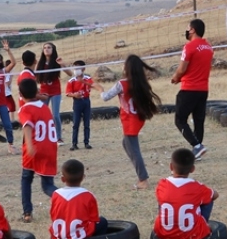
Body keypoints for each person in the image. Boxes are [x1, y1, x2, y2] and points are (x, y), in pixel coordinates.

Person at [99, 54, 160, 190]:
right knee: (127, 145)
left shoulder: (122, 84)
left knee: (133, 148)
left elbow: (105, 97)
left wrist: (99, 89)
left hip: (130, 120)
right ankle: (141, 176)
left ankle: (143, 180)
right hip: (137, 118)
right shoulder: (140, 82)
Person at [154, 147, 218, 239]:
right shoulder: (197, 187)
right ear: (192, 169)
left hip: (163, 236)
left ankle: (168, 223)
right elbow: (215, 195)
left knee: (163, 199)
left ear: (171, 167)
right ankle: (203, 223)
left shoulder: (162, 184)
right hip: (194, 236)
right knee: (208, 198)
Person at [170, 18, 213, 159]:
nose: (187, 30)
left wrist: (175, 77)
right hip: (203, 89)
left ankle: (197, 146)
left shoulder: (189, 47)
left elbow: (182, 68)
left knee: (180, 120)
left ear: (193, 30)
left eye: (188, 27)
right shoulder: (209, 47)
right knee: (198, 120)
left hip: (189, 88)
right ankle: (198, 152)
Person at [17, 79, 58, 223]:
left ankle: (27, 213)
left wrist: (29, 145)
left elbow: (27, 125)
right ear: (37, 92)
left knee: (26, 179)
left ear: (20, 94)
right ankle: (65, 197)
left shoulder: (25, 109)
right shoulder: (45, 107)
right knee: (47, 184)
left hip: (35, 147)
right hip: (50, 147)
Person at [49, 159, 107, 239]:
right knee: (102, 221)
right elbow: (94, 219)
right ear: (83, 177)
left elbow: (53, 216)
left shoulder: (56, 194)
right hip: (79, 236)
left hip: (58, 238)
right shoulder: (88, 195)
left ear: (62, 179)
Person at [37, 42, 70, 137]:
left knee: (55, 115)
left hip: (55, 91)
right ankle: (44, 135)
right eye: (44, 48)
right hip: (44, 92)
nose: (46, 49)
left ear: (53, 49)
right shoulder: (41, 63)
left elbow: (70, 73)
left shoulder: (57, 61)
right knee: (42, 114)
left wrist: (63, 64)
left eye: (49, 47)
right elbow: (36, 77)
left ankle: (58, 137)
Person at [66, 60, 94, 150]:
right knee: (76, 123)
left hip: (86, 101)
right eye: (75, 68)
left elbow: (91, 86)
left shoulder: (87, 79)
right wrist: (74, 95)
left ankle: (87, 142)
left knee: (87, 123)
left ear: (83, 69)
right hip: (77, 102)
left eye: (78, 68)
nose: (76, 70)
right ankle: (74, 143)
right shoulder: (71, 81)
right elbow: (68, 93)